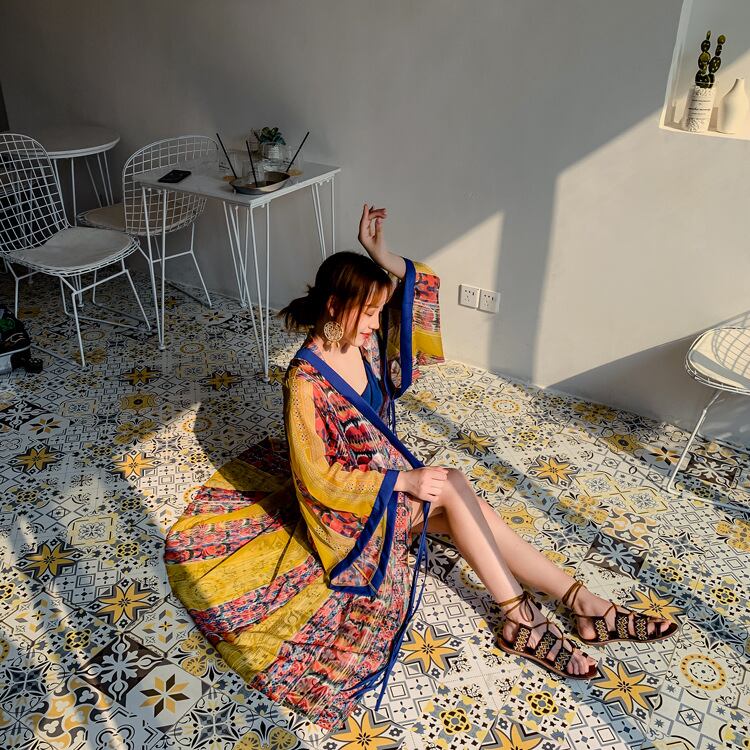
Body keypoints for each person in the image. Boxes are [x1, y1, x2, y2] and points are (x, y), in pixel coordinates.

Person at [165, 205, 676, 731]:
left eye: (377, 313)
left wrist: (379, 254)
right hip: (347, 514)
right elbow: (315, 477)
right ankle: (525, 617)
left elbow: (420, 288)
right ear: (335, 307)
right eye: (368, 313)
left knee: (465, 508)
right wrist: (401, 480)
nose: (376, 325)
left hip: (386, 483)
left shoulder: (360, 341)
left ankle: (578, 602)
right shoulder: (304, 382)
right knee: (452, 487)